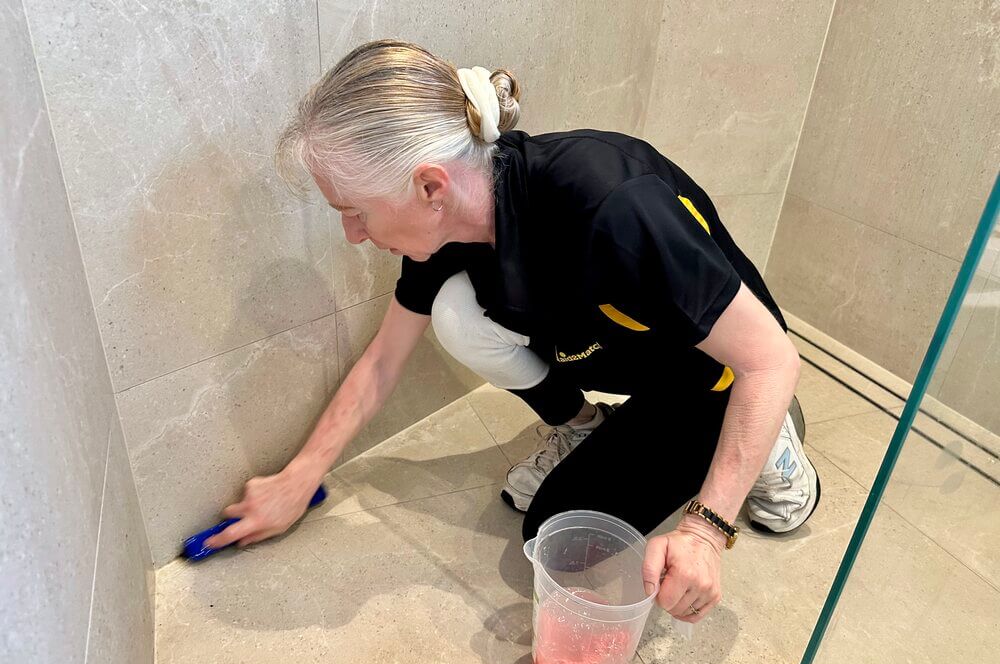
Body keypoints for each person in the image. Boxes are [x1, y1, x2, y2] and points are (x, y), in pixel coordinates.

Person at [204, 39, 821, 625]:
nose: (354, 236)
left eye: (355, 212)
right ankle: (591, 429)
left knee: (559, 533)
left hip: (716, 373)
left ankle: (771, 440)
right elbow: (383, 363)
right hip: (624, 360)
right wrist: (301, 475)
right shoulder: (443, 230)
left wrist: (706, 529)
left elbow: (770, 358)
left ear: (429, 186)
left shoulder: (611, 205)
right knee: (543, 517)